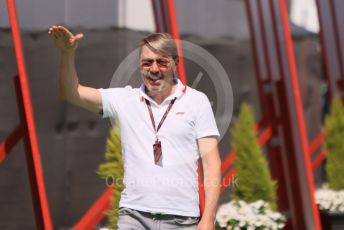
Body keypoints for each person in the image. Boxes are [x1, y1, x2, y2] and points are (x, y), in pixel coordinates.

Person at [48, 25, 222, 230]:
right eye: (147, 62)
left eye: (162, 62)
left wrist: (208, 218)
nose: (154, 69)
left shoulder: (197, 101)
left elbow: (212, 164)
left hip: (182, 220)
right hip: (133, 216)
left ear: (175, 63)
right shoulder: (125, 99)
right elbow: (71, 92)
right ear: (140, 65)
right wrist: (67, 54)